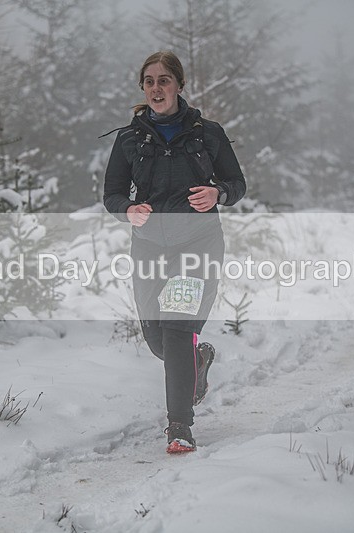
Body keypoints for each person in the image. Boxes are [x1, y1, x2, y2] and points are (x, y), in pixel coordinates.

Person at [103, 51, 246, 453]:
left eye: (164, 80)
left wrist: (217, 192)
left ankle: (179, 426)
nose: (156, 88)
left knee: (178, 328)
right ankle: (196, 366)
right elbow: (111, 195)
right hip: (149, 247)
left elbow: (237, 184)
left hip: (195, 245)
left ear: (179, 85)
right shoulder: (129, 138)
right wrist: (128, 210)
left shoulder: (208, 133)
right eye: (149, 81)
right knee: (157, 339)